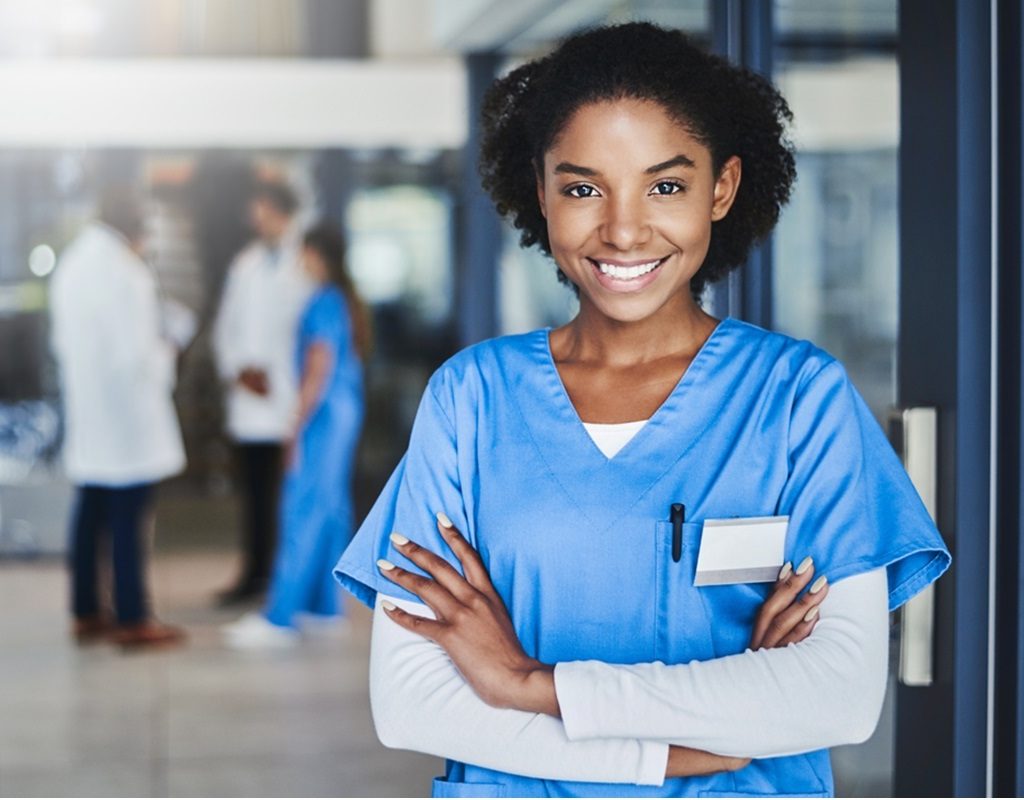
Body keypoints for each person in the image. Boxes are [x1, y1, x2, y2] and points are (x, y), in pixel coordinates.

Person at [333, 22, 953, 798]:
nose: (623, 230)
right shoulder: (472, 400)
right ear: (541, 190)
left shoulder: (800, 399)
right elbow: (413, 705)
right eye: (584, 188)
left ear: (720, 189)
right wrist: (683, 744)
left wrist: (528, 683)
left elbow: (838, 698)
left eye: (666, 185)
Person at [50, 184, 187, 648]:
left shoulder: (72, 264)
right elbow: (138, 355)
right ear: (135, 229)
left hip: (90, 411)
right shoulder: (127, 272)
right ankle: (133, 617)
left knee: (90, 509)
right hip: (127, 417)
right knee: (129, 515)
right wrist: (170, 350)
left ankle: (85, 609)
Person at [224, 222, 369, 648]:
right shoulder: (344, 300)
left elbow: (319, 366)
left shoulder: (324, 301)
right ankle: (325, 606)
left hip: (322, 417)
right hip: (343, 415)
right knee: (330, 507)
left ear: (316, 255)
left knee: (302, 509)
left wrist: (296, 423)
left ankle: (280, 616)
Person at [212, 180, 312, 605]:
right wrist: (239, 371)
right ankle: (254, 575)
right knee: (254, 496)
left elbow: (313, 334)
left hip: (289, 398)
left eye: (265, 209)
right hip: (250, 400)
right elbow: (225, 328)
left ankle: (289, 580)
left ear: (282, 213)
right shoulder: (245, 264)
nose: (257, 217)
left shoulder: (304, 263)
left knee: (292, 497)